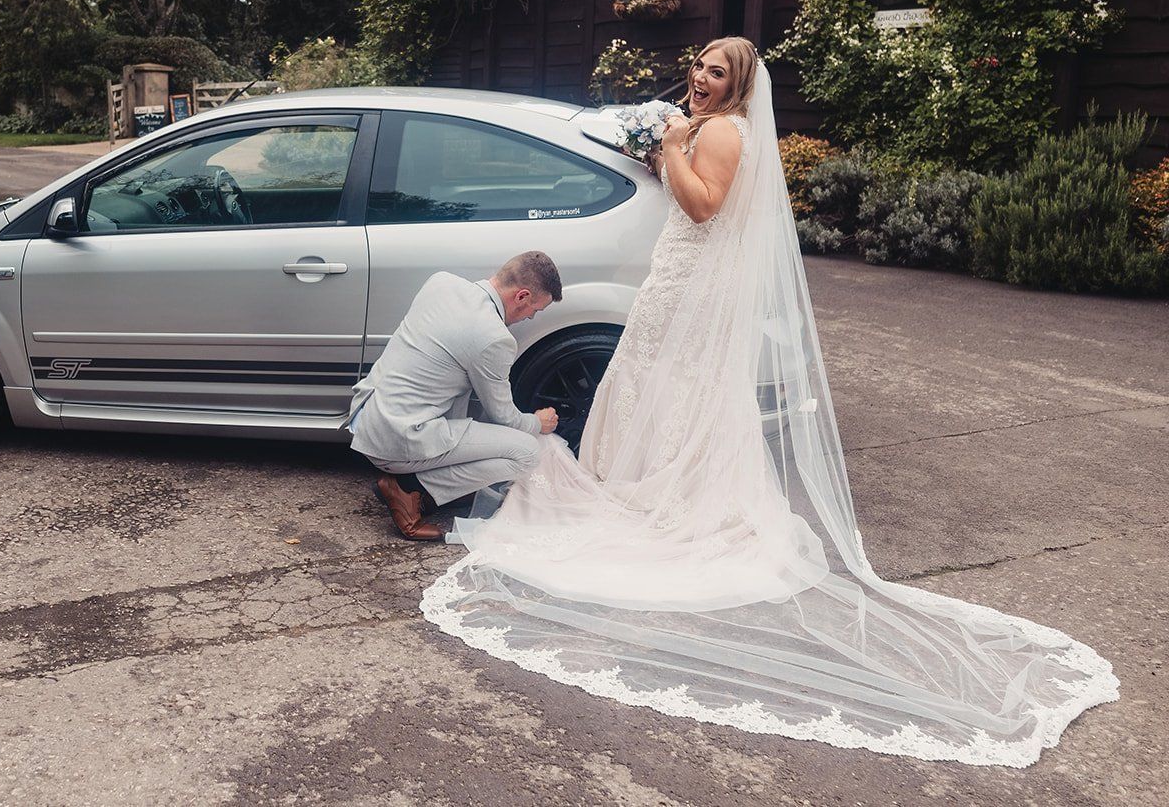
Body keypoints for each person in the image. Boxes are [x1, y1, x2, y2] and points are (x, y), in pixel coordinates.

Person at [422, 38, 1118, 767]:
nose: (698, 76)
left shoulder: (721, 131)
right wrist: (665, 143)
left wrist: (668, 146)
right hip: (680, 278)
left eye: (715, 72)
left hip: (691, 283)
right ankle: (640, 482)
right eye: (697, 65)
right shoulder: (716, 126)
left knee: (673, 386)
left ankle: (659, 496)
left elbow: (701, 205)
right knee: (659, 386)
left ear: (739, 84)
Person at [351, 252, 563, 541]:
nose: (530, 317)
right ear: (522, 296)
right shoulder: (494, 338)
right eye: (535, 310)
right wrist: (539, 423)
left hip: (367, 414)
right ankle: (412, 490)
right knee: (526, 451)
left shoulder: (440, 283)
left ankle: (420, 488)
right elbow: (505, 417)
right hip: (398, 438)